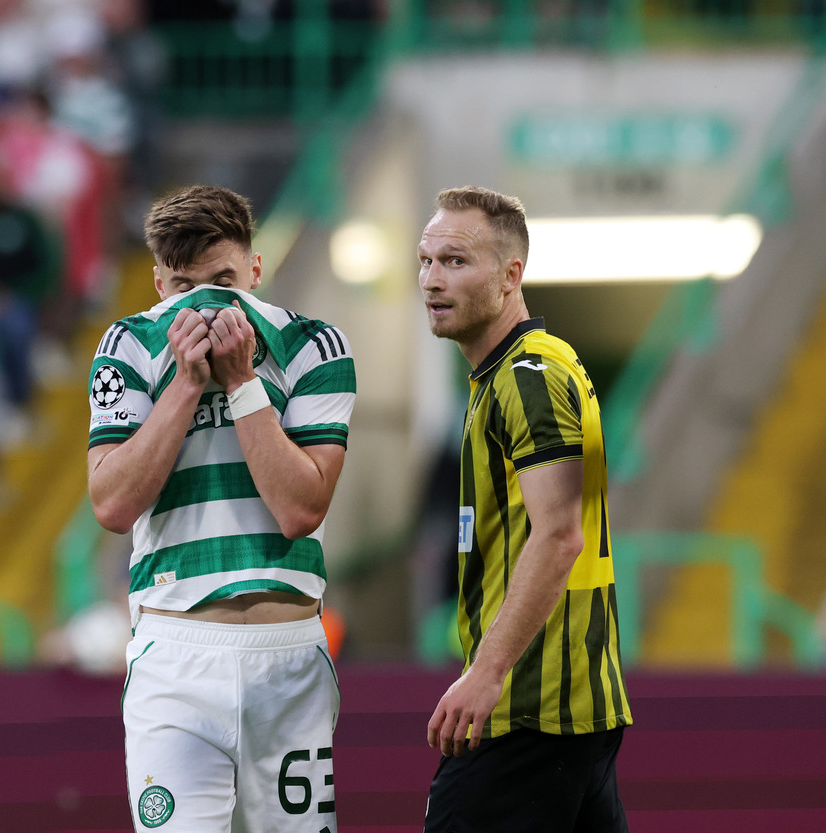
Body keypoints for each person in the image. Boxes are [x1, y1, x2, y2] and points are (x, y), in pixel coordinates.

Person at [87, 184, 356, 832]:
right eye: (184, 287)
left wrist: (240, 382)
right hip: (175, 650)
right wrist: (185, 384)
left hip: (286, 649)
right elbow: (113, 502)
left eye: (224, 281)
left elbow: (300, 509)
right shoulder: (127, 346)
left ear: (256, 271)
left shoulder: (313, 343)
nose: (207, 306)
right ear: (156, 282)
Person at [417, 186, 632, 832]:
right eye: (425, 261)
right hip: (570, 715)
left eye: (455, 261)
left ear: (513, 275)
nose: (431, 279)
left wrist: (488, 671)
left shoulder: (527, 375)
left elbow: (560, 532)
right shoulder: (510, 375)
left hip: (531, 714)